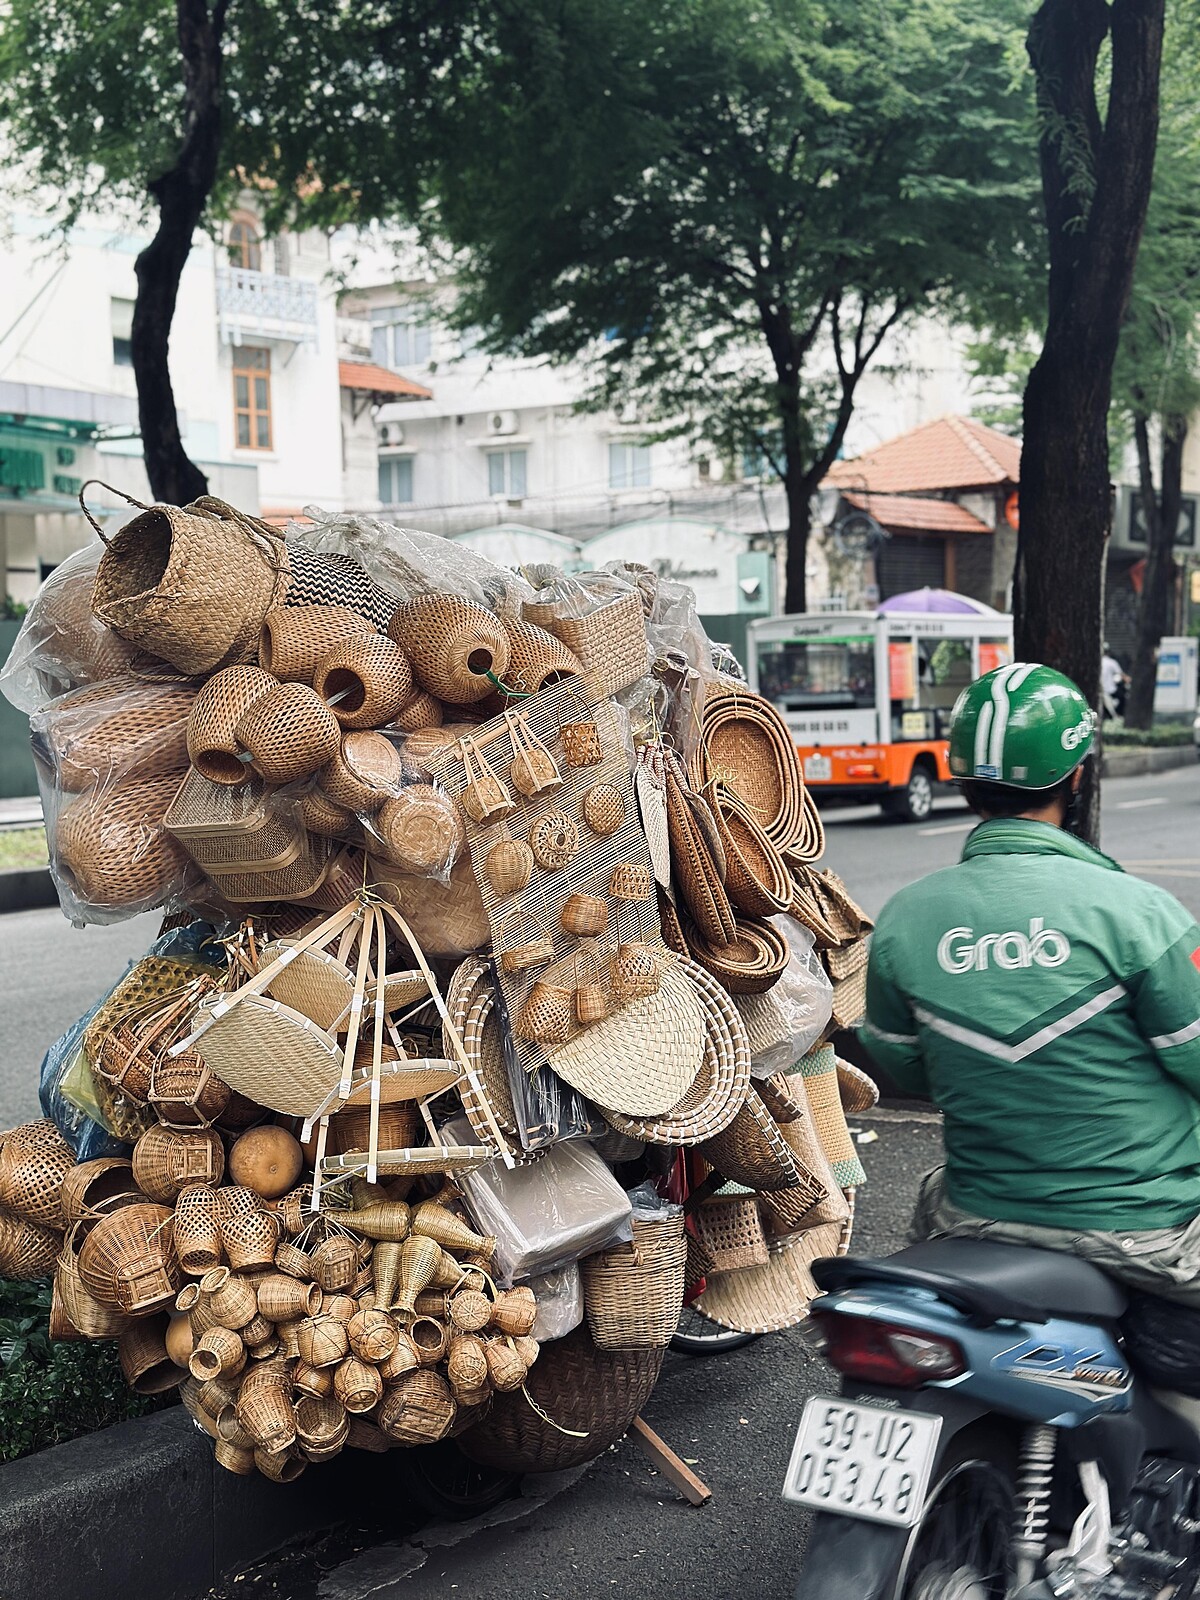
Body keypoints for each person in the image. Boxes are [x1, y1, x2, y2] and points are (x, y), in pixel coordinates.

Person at [859, 661, 1200, 1308]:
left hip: (974, 1217)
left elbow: (909, 1068)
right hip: (1148, 1229)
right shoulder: (1142, 914)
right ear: (1076, 775)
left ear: (962, 785)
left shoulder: (903, 919)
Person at [1101, 641, 1128, 719]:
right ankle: (1120, 714)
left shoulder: (1096, 662)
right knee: (1123, 698)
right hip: (1110, 689)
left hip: (1101, 690)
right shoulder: (1111, 662)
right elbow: (1122, 675)